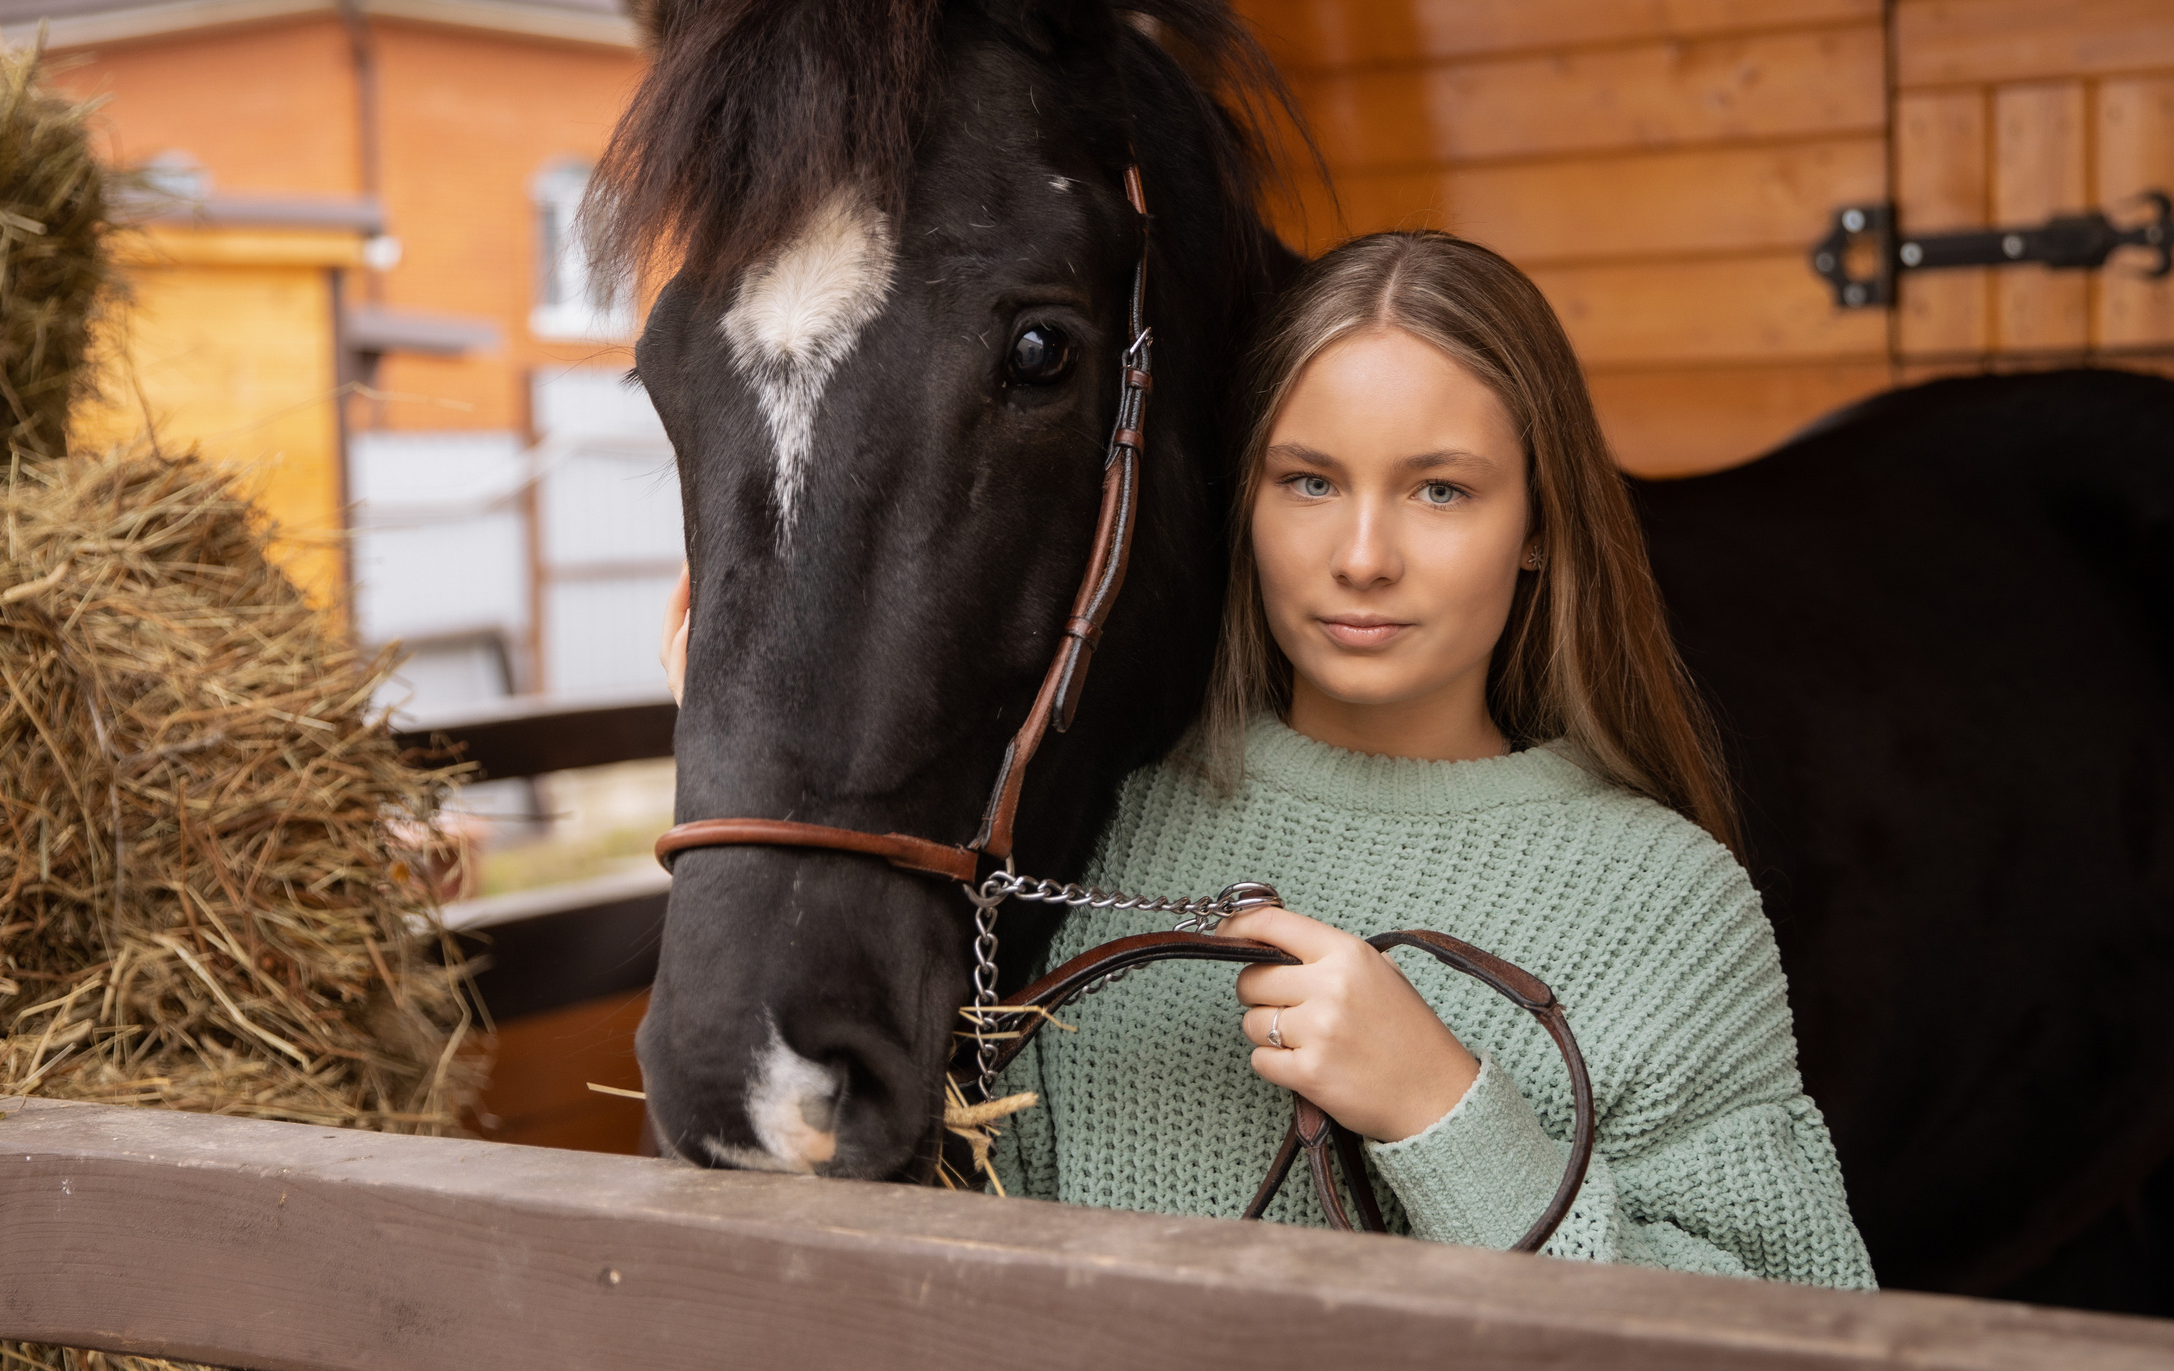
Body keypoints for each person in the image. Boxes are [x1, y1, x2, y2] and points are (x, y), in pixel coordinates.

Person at [662, 229, 1874, 1286]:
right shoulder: (1100, 833)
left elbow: (1788, 1334)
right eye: (1308, 481)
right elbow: (921, 1263)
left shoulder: (1665, 903)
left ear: (1543, 525)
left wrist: (1447, 1116)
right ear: (1243, 501)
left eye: (1440, 492)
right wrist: (745, 762)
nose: (1361, 555)